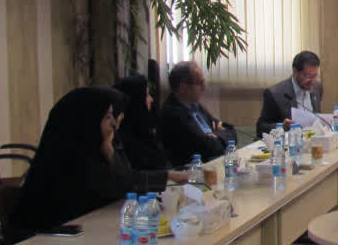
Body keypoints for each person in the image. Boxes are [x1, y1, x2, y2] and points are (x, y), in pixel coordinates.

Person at [14, 87, 175, 232]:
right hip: (47, 242)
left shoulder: (89, 151)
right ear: (87, 120)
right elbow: (122, 185)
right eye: (107, 117)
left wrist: (109, 151)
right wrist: (168, 176)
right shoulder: (70, 160)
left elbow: (124, 181)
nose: (114, 124)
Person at [160, 61, 237, 165]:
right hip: (191, 170)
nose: (204, 88)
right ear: (183, 88)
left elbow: (232, 131)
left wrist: (215, 136)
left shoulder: (196, 106)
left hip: (213, 163)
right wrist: (216, 136)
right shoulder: (173, 113)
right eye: (200, 83)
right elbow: (209, 148)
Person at [257, 51, 323, 137]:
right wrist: (282, 127)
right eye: (308, 76)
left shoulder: (317, 88)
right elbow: (261, 128)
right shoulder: (275, 94)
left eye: (315, 76)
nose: (312, 81)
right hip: (289, 142)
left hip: (312, 140)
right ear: (295, 71)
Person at [113, 75, 172, 172]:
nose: (151, 99)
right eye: (147, 95)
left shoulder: (142, 128)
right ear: (137, 99)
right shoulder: (123, 137)